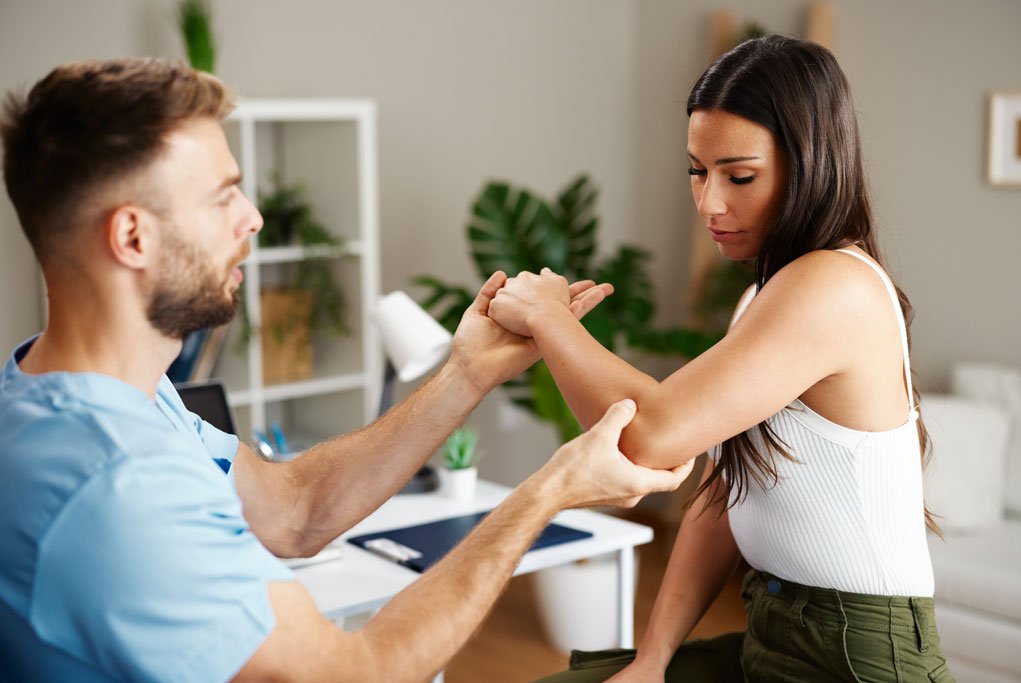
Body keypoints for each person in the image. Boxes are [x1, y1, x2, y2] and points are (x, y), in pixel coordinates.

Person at [0, 58, 694, 683]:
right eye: (222, 197)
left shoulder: (97, 394)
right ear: (132, 236)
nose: (253, 217)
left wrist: (466, 373)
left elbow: (292, 510)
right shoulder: (114, 483)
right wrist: (549, 489)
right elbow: (354, 674)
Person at [487, 35, 954, 682]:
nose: (709, 202)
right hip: (775, 635)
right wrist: (652, 658)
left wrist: (547, 317)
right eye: (696, 171)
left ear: (810, 165)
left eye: (739, 177)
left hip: (859, 660)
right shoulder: (765, 296)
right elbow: (726, 487)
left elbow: (648, 438)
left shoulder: (833, 284)